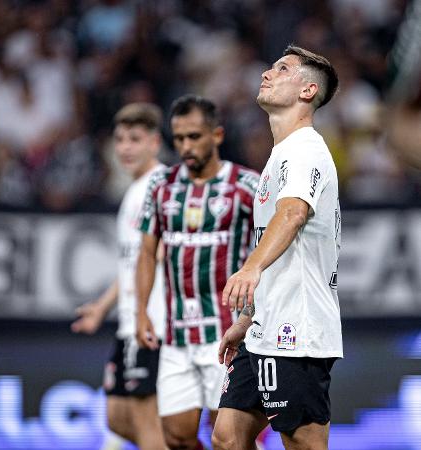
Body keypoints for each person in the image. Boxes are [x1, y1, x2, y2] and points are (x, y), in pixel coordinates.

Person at [212, 45, 342, 450]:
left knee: (302, 443)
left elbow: (292, 215)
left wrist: (249, 269)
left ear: (307, 91)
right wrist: (249, 316)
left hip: (296, 328)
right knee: (228, 438)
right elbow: (277, 238)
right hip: (265, 326)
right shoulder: (280, 154)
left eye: (282, 69)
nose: (267, 73)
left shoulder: (305, 150)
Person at [136, 94, 259, 450]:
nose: (186, 146)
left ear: (217, 135)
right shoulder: (161, 188)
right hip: (176, 335)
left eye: (194, 136)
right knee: (176, 436)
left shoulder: (246, 186)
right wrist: (141, 310)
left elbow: (272, 244)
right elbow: (147, 251)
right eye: (179, 138)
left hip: (227, 334)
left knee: (231, 438)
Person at [71, 102, 166, 450]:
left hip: (152, 325)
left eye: (135, 139)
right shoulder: (133, 191)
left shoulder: (161, 187)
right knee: (117, 417)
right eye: (120, 139)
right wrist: (101, 307)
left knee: (147, 427)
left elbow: (164, 257)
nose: (125, 148)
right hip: (129, 324)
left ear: (154, 142)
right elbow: (132, 264)